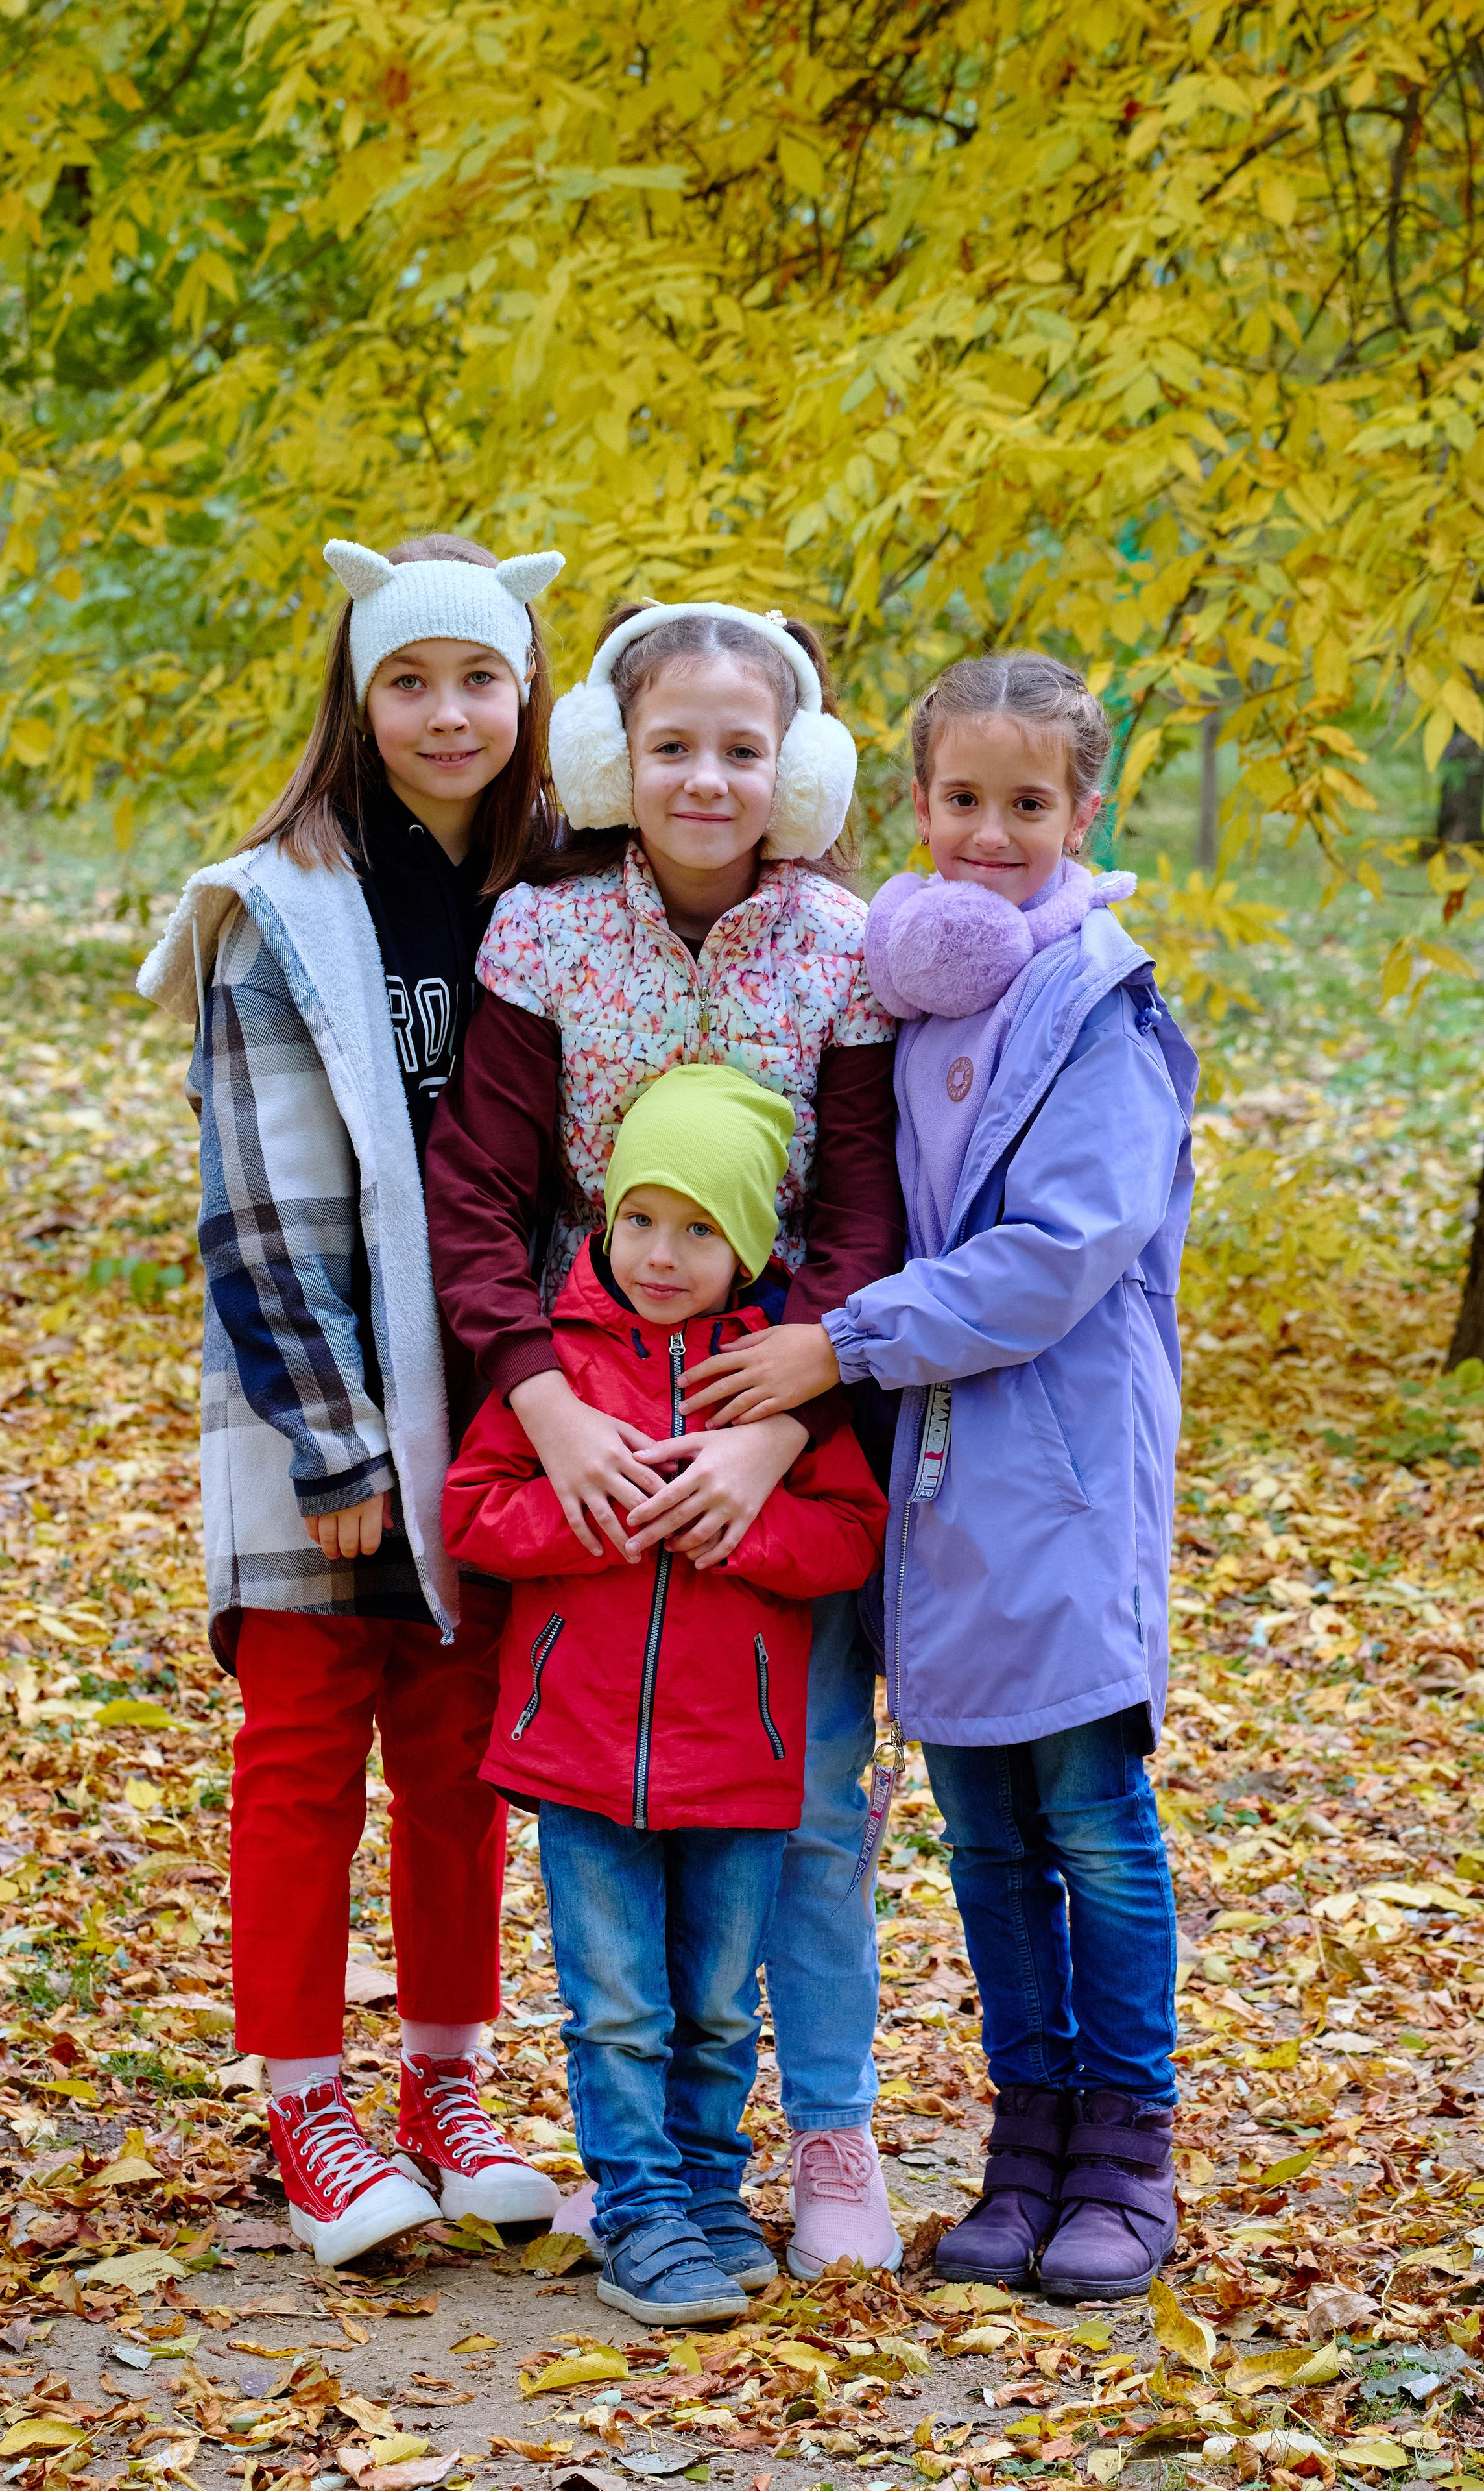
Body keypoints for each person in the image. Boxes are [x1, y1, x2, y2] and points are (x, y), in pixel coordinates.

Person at [425, 599, 909, 2277]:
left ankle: (829, 2131)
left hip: (788, 1400)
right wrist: (541, 1405)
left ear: (799, 771)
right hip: (591, 1393)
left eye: (742, 748)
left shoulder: (848, 943)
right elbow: (480, 1196)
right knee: (610, 1806)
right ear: (607, 764)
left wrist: (788, 1419)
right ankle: (644, 2168)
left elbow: (859, 1201)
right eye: (671, 746)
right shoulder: (544, 938)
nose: (707, 778)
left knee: (814, 1804)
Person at [136, 532, 570, 2265]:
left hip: (499, 1404)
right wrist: (334, 1432)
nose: (447, 711)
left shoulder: (553, 895)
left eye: (479, 677)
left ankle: (444, 2085)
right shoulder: (279, 905)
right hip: (319, 1403)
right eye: (410, 679)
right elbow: (253, 1197)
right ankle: (305, 2096)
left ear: (528, 693)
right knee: (306, 1751)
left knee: (461, 1762)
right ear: (358, 694)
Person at [778, 653, 1197, 2298]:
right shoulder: (916, 990)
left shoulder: (1098, 1010)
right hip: (935, 1494)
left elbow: (1057, 1253)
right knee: (982, 1838)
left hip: (1063, 1477)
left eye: (1028, 805)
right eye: (961, 800)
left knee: (1090, 1820)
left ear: (1080, 813)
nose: (988, 834)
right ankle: (1023, 2150)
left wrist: (847, 1342)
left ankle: (1124, 2152)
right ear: (916, 807)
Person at [442, 1065, 889, 2322]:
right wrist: (596, 1518)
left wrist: (736, 1529)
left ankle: (703, 2194)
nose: (660, 1252)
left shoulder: (771, 1378)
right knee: (620, 2003)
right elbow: (474, 1514)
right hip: (581, 1753)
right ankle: (638, 2212)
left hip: (738, 1754)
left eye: (699, 1229)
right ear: (603, 1214)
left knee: (711, 2002)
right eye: (639, 1217)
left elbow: (847, 1532)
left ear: (747, 1243)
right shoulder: (558, 1367)